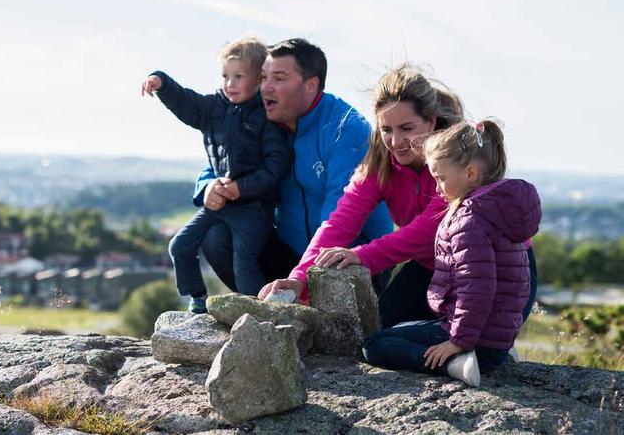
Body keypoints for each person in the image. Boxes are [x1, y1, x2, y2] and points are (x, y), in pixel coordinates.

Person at [257, 64, 461, 323]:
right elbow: (339, 222)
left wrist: (361, 255)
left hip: (485, 267)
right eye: (387, 129)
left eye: (407, 128)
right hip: (431, 267)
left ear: (430, 122)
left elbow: (428, 230)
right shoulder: (380, 163)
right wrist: (299, 278)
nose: (396, 141)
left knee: (457, 338)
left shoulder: (457, 159)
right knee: (382, 335)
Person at [197, 38, 393, 291]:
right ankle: (262, 319)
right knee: (216, 237)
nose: (266, 87)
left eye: (278, 79)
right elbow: (222, 161)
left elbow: (339, 219)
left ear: (311, 85)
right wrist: (208, 185)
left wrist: (301, 277)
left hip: (351, 258)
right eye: (263, 77)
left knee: (333, 264)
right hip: (290, 254)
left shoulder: (347, 129)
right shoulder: (260, 120)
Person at [361, 119, 541, 387]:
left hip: (475, 341)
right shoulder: (497, 211)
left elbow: (477, 288)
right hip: (493, 340)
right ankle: (475, 356)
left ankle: (454, 364)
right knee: (397, 331)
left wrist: (458, 342)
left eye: (441, 178)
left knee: (373, 345)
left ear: (469, 173)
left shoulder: (471, 220)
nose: (436, 188)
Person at [141, 37, 289, 312]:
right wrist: (161, 82)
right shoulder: (213, 109)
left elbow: (275, 168)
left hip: (253, 207)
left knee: (243, 262)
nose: (229, 83)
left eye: (238, 76)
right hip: (220, 202)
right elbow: (187, 103)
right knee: (180, 246)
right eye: (225, 76)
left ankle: (256, 315)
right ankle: (197, 300)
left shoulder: (266, 118)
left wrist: (241, 188)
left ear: (258, 79)